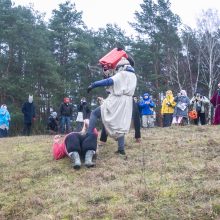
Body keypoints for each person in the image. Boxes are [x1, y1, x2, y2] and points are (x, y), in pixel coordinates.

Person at [87, 55, 137, 155]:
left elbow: (108, 81)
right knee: (120, 125)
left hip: (116, 100)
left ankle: (88, 137)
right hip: (127, 103)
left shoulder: (121, 74)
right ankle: (121, 149)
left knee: (94, 114)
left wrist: (93, 84)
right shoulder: (134, 76)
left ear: (121, 67)